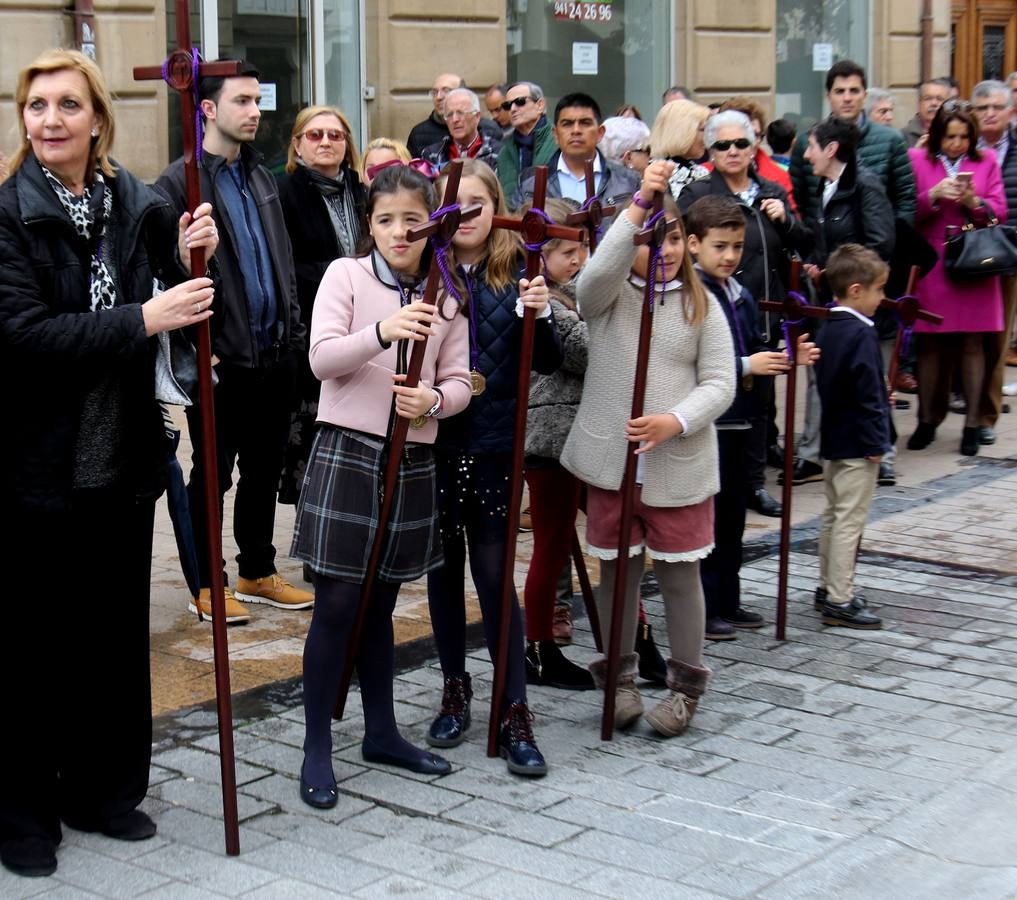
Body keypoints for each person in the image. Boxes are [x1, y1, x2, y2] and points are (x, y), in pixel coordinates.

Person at [0, 48, 219, 877]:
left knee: (109, 648)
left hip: (123, 466)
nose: (49, 119)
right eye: (36, 105)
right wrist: (144, 315)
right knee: (30, 656)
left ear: (98, 118)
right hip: (33, 472)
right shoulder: (7, 214)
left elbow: (190, 307)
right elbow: (21, 336)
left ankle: (103, 794)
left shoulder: (138, 204)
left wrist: (201, 253)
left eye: (66, 104)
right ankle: (22, 816)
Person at [291, 164, 471, 809]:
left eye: (412, 221)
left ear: (432, 226)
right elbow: (321, 359)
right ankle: (316, 746)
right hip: (348, 451)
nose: (400, 232)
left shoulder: (448, 293)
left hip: (413, 458)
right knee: (339, 605)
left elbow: (459, 380)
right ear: (369, 224)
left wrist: (432, 401)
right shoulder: (346, 275)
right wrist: (380, 333)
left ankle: (381, 732)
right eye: (385, 220)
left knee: (383, 606)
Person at [561, 159, 735, 735]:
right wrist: (640, 203)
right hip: (613, 462)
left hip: (677, 464)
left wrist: (675, 421)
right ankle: (619, 680)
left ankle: (686, 687)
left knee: (681, 576)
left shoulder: (700, 304)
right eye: (650, 240)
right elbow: (589, 282)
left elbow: (721, 381)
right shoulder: (608, 295)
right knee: (618, 572)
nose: (664, 250)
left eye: (675, 237)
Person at [156, 61, 313, 624]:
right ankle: (206, 583)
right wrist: (204, 346)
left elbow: (281, 263)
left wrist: (294, 336)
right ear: (207, 109)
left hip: (274, 353)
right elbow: (163, 274)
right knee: (214, 474)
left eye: (257, 101)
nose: (255, 112)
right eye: (243, 101)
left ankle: (256, 569)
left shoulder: (260, 174)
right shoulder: (178, 184)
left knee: (266, 467)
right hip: (220, 363)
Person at [425, 159, 559, 776]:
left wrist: (545, 309)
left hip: (494, 445)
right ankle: (456, 685)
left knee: (492, 571)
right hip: (437, 442)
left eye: (479, 204)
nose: (468, 216)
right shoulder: (430, 273)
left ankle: (515, 708)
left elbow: (552, 360)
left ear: (497, 208)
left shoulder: (518, 274)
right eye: (457, 205)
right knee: (444, 568)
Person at [686, 196, 818, 641]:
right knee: (710, 519)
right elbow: (699, 362)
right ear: (693, 245)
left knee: (734, 518)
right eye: (720, 246)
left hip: (743, 420)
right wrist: (749, 365)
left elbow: (750, 346)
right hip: (711, 424)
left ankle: (729, 599)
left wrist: (784, 357)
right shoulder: (693, 296)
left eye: (737, 246)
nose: (729, 256)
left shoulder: (738, 293)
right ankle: (702, 609)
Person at [679, 109, 812, 534]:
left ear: (754, 148)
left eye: (741, 144)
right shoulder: (698, 193)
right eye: (723, 145)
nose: (733, 152)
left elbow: (805, 241)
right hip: (713, 306)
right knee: (722, 397)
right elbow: (682, 243)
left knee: (760, 404)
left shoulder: (771, 188)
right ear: (711, 150)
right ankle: (721, 484)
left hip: (760, 306)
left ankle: (753, 483)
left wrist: (785, 219)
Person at [521, 197, 595, 690]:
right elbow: (587, 353)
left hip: (588, 434)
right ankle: (538, 644)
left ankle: (636, 633)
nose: (577, 258)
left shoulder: (579, 294)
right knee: (550, 541)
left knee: (617, 534)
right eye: (565, 249)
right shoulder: (545, 299)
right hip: (552, 441)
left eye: (583, 247)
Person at [797, 117, 896, 484]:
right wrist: (817, 265)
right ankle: (818, 451)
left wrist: (839, 272)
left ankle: (881, 451)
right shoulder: (824, 187)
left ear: (831, 148)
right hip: (832, 299)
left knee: (869, 377)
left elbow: (880, 243)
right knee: (826, 374)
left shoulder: (865, 185)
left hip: (861, 299)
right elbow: (821, 239)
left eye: (811, 146)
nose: (807, 155)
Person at [906, 102, 1007, 457]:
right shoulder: (918, 160)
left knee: (973, 344)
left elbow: (999, 210)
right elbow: (906, 209)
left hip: (975, 259)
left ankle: (972, 425)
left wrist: (973, 200)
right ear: (937, 135)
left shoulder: (987, 160)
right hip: (934, 261)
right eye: (950, 137)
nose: (957, 144)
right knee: (930, 344)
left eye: (964, 136)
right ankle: (927, 419)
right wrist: (932, 196)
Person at [278, 105, 366, 506]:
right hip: (313, 327)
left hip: (366, 326)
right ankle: (316, 533)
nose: (326, 142)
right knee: (314, 436)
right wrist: (342, 278)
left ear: (347, 145)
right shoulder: (283, 193)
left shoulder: (364, 194)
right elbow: (285, 264)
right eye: (315, 135)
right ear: (297, 145)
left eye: (335, 135)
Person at [814, 245, 891, 630]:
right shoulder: (861, 332)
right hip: (859, 442)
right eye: (879, 290)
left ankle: (827, 585)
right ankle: (839, 598)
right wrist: (878, 443)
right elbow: (869, 394)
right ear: (857, 290)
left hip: (834, 436)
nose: (882, 299)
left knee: (833, 515)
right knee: (849, 520)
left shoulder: (829, 326)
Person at [790, 60, 916, 228]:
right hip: (824, 248)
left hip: (876, 248)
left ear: (864, 96)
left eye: (854, 91)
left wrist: (888, 242)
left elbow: (906, 200)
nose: (847, 98)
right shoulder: (806, 144)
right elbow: (800, 203)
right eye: (840, 91)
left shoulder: (892, 140)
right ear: (828, 96)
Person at [970, 80, 1017, 440]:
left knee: (997, 340)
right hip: (965, 255)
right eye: (983, 107)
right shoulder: (958, 147)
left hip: (1008, 255)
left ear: (1010, 110)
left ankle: (986, 416)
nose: (990, 113)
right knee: (968, 338)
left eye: (996, 107)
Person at [518, 92, 639, 209]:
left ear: (600, 133)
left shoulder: (628, 180)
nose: (576, 130)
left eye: (585, 123)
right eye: (567, 124)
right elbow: (515, 226)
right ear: (555, 135)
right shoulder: (530, 181)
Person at [718, 96, 796, 212]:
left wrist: (784, 219)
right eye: (740, 134)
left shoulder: (779, 178)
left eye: (755, 135)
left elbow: (794, 226)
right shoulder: (701, 176)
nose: (750, 142)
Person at [407, 72, 501, 158]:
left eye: (446, 90)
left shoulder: (490, 131)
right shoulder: (420, 136)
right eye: (435, 92)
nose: (438, 97)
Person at [495, 81, 556, 209]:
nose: (512, 109)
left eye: (520, 101)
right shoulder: (504, 152)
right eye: (508, 105)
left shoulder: (558, 141)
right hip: (513, 225)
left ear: (540, 105)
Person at [420, 88, 500, 172]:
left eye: (461, 113)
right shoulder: (432, 154)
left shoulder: (498, 152)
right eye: (449, 114)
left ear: (477, 116)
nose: (455, 119)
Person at [647, 98, 711, 200]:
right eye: (702, 129)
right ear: (683, 132)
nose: (707, 136)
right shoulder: (653, 174)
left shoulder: (701, 172)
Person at [902, 78, 952, 148]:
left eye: (939, 99)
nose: (934, 103)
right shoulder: (902, 136)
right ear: (919, 104)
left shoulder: (958, 134)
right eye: (928, 98)